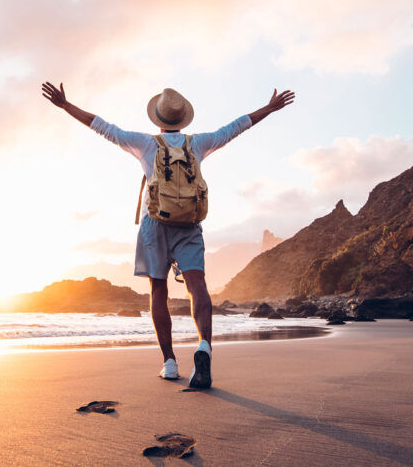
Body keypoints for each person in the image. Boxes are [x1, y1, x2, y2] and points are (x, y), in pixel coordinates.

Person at [41, 82, 295, 388]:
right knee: (197, 286)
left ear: (159, 120)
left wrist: (66, 106)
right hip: (189, 224)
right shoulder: (198, 143)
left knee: (158, 291)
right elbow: (235, 128)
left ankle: (170, 363)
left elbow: (103, 127)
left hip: (155, 224)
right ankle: (204, 346)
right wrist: (269, 108)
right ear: (182, 119)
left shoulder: (145, 144)